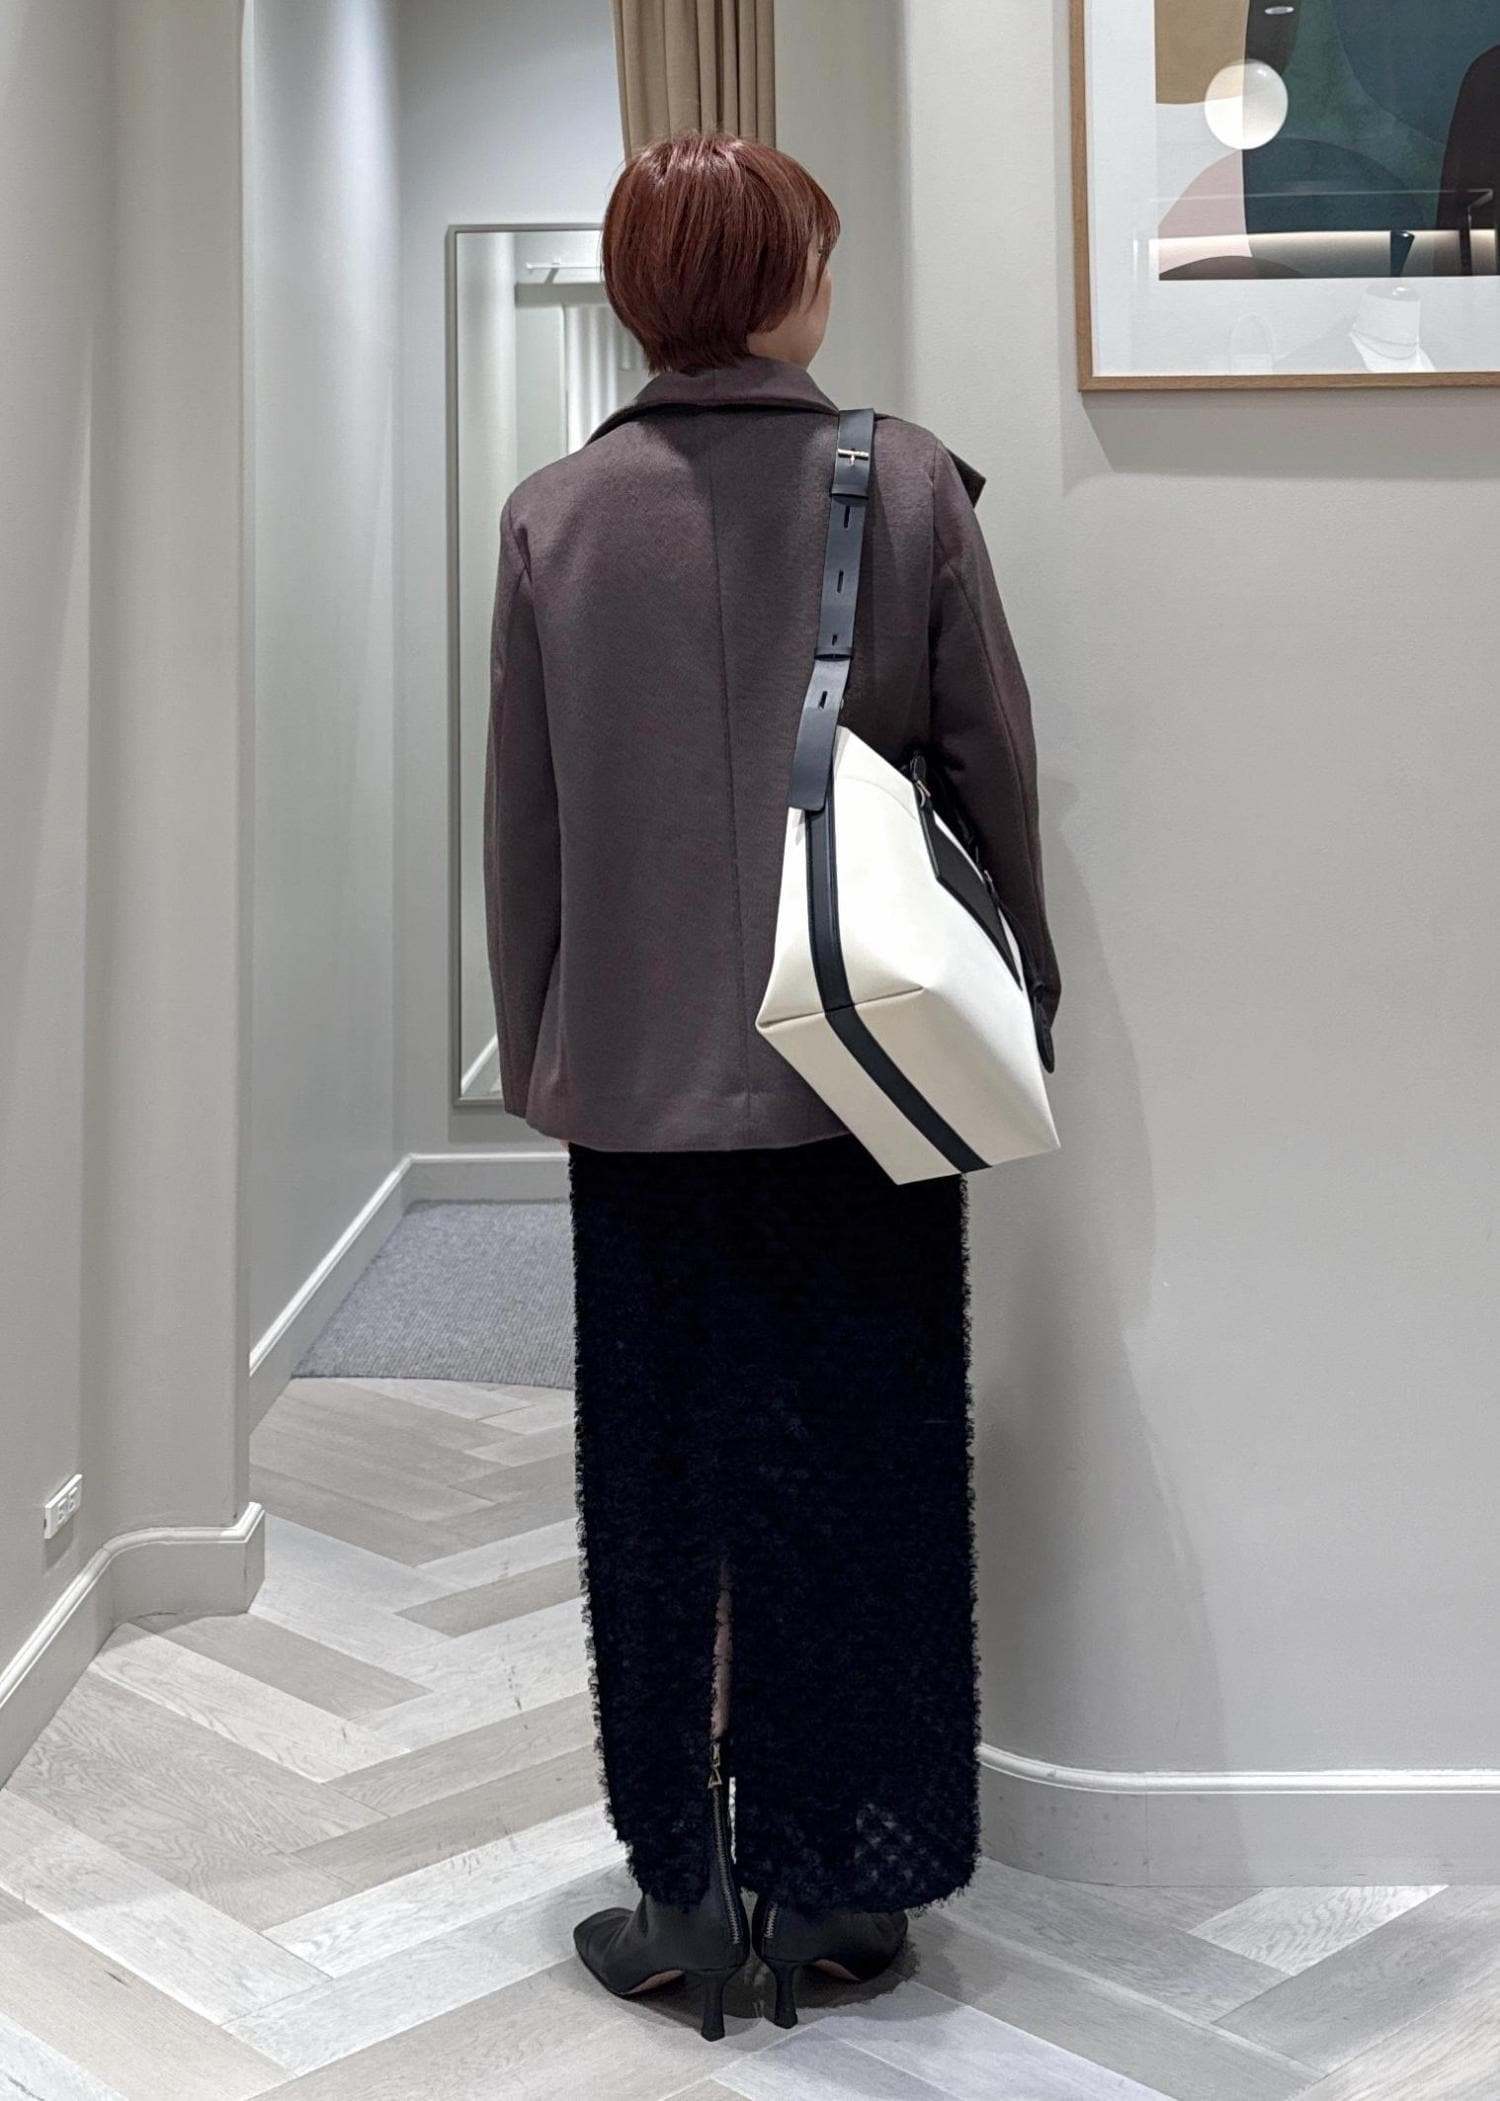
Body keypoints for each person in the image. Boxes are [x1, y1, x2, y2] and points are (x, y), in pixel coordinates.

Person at [483, 129, 1061, 2043]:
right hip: (865, 1088)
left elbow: (527, 831)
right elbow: (990, 773)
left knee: (662, 1493)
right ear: (787, 280)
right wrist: (1023, 1002)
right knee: (856, 1478)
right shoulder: (909, 484)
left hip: (640, 1095)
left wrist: (550, 1044)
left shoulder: (554, 517)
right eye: (815, 251)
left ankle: (681, 1892)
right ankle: (838, 1882)